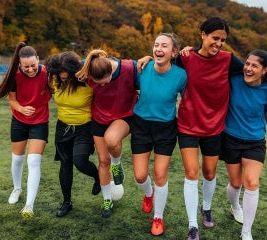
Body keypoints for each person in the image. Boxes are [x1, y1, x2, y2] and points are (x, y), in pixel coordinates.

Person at [138, 17, 243, 239]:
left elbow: (250, 75)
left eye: (223, 40)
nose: (219, 43)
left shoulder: (229, 60)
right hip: (187, 124)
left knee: (210, 172)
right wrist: (148, 57)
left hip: (215, 127)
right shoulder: (186, 58)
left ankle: (206, 208)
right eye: (215, 38)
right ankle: (192, 225)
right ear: (203, 35)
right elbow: (163, 60)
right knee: (192, 173)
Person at [221, 49, 267, 240]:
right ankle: (235, 206)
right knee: (235, 183)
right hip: (230, 139)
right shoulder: (233, 80)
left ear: (264, 70)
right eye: (247, 63)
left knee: (252, 183)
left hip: (254, 141)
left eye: (255, 65)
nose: (248, 68)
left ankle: (246, 231)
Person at [131, 33, 187, 236]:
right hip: (141, 125)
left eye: (164, 46)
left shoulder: (181, 75)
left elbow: (190, 100)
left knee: (160, 175)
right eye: (156, 45)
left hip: (166, 128)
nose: (158, 49)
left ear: (173, 52)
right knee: (139, 176)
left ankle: (158, 217)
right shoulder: (142, 68)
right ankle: (148, 193)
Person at [75, 49, 140, 218]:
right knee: (103, 161)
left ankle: (117, 164)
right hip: (99, 118)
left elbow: (154, 70)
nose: (102, 86)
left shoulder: (129, 68)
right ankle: (107, 199)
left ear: (111, 70)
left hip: (124, 115)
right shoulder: (88, 70)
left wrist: (147, 58)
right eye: (99, 83)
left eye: (105, 82)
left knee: (111, 140)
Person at [0, 42, 52, 219]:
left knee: (34, 161)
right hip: (19, 121)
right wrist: (21, 108)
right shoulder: (15, 75)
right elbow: (12, 100)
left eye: (33, 65)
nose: (30, 69)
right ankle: (17, 188)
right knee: (18, 159)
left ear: (38, 60)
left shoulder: (47, 73)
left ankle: (29, 205)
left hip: (40, 121)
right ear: (20, 64)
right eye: (26, 66)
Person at [45, 51, 100, 218]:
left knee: (80, 161)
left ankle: (98, 176)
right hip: (63, 128)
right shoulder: (54, 81)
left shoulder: (88, 82)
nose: (62, 75)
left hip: (84, 128)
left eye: (66, 72)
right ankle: (67, 202)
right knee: (65, 164)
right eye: (58, 72)